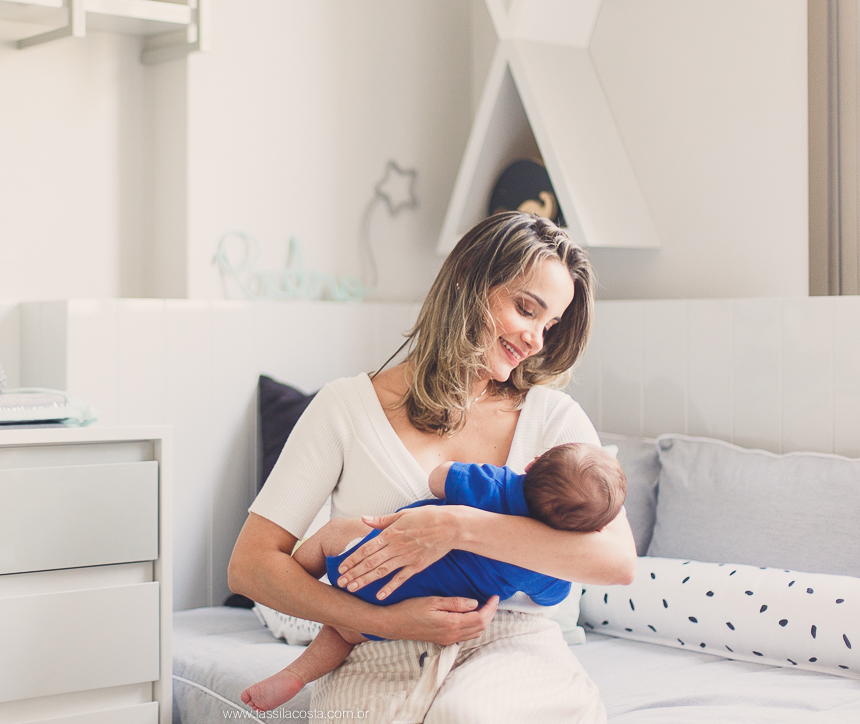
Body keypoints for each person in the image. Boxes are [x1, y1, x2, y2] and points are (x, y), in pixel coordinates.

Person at [228, 211, 637, 723]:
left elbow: (617, 562)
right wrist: (385, 621)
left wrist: (454, 527)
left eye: (550, 325)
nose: (537, 339)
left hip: (513, 651)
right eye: (526, 309)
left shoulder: (553, 420)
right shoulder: (346, 408)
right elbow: (250, 566)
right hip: (372, 653)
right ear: (468, 283)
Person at [241, 443, 627, 713]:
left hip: (368, 561)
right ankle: (297, 673)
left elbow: (438, 477)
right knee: (345, 632)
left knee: (333, 538)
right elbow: (552, 598)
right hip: (433, 606)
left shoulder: (495, 483)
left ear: (534, 463)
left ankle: (300, 577)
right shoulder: (543, 562)